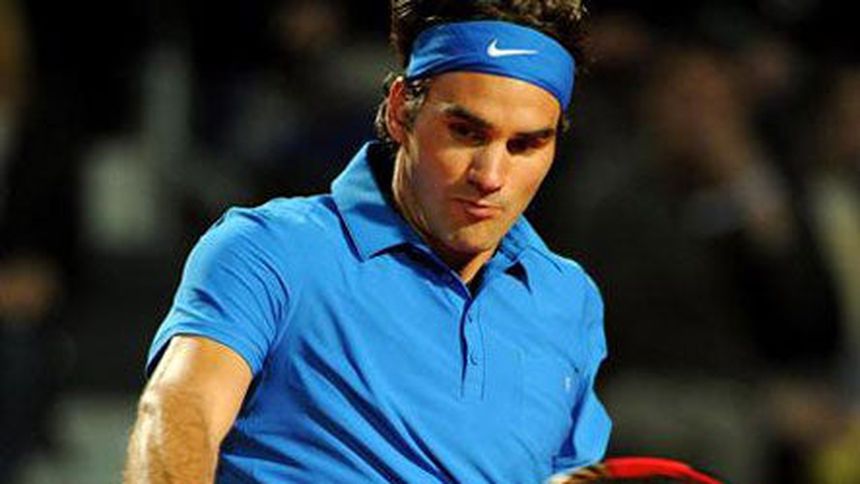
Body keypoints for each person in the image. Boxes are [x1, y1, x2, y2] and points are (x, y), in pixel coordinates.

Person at [123, 1, 611, 482]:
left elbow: (570, 474)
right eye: (465, 131)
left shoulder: (570, 298)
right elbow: (180, 414)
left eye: (525, 144)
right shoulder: (269, 249)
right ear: (400, 112)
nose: (490, 176)